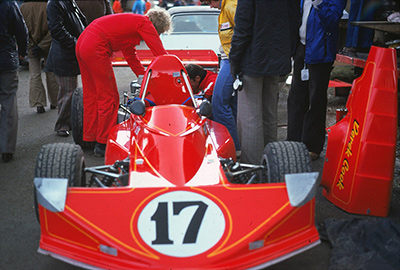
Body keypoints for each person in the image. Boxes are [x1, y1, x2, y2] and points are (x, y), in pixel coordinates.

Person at [76, 8, 171, 157]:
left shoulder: (133, 23)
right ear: (157, 27)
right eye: (159, 32)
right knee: (109, 97)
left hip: (83, 42)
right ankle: (102, 143)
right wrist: (172, 71)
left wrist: (142, 75)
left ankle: (90, 138)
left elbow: (130, 54)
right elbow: (160, 52)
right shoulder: (145, 24)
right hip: (95, 45)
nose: (157, 35)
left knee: (92, 95)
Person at [229, 0, 299, 165]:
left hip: (253, 60)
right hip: (277, 57)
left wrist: (234, 59)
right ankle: (271, 162)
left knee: (250, 117)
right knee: (269, 113)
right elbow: (294, 21)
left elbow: (243, 27)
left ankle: (252, 167)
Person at [286, 0, 347, 161]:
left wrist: (319, 4)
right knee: (295, 98)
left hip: (321, 52)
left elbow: (332, 20)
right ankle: (293, 143)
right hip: (301, 48)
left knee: (316, 100)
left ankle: (312, 146)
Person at [200, 0, 240, 157]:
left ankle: (233, 148)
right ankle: (236, 145)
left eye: (208, 1)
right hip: (228, 58)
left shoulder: (231, 6)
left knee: (218, 104)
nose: (209, 6)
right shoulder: (225, 8)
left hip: (231, 60)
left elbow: (244, 33)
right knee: (231, 103)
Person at [46, 0, 86, 137]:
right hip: (65, 55)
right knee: (68, 93)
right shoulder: (55, 3)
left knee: (70, 92)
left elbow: (80, 21)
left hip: (69, 53)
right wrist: (76, 44)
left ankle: (68, 123)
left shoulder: (66, 2)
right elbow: (57, 30)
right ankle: (62, 125)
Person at [0, 1, 28, 162]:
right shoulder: (9, 5)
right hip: (6, 59)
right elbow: (21, 30)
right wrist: (22, 51)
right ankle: (7, 148)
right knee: (8, 102)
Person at [20, 0, 59, 114]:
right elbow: (53, 29)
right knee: (51, 72)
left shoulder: (23, 8)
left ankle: (39, 103)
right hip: (48, 45)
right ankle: (55, 101)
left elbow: (22, 29)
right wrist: (42, 45)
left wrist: (30, 45)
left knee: (34, 74)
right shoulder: (48, 6)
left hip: (31, 44)